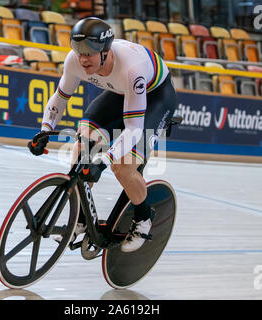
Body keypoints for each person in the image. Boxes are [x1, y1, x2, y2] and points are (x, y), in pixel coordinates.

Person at [28, 17, 177, 252]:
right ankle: (79, 219)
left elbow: (134, 129)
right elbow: (59, 98)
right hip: (120, 92)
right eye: (78, 50)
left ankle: (143, 217)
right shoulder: (74, 61)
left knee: (123, 166)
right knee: (82, 149)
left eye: (90, 51)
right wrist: (44, 130)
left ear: (106, 51)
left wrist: (104, 162)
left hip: (155, 96)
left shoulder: (132, 68)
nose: (83, 58)